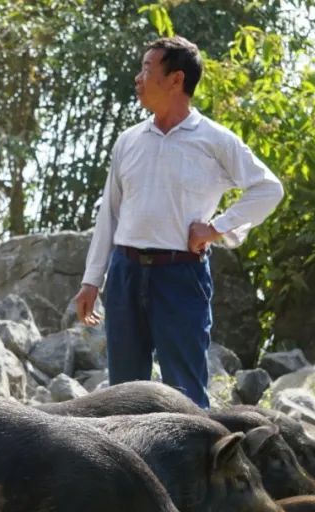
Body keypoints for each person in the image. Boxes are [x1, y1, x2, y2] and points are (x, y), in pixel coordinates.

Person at [74, 36, 284, 409]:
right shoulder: (128, 141)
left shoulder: (215, 140)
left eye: (147, 69)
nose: (138, 78)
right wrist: (92, 279)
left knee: (185, 394)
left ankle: (197, 448)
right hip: (124, 275)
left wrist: (216, 228)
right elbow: (110, 213)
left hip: (181, 277)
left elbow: (268, 189)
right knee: (123, 395)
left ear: (176, 79)